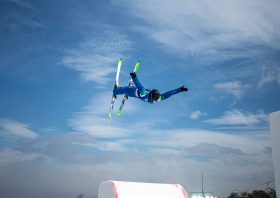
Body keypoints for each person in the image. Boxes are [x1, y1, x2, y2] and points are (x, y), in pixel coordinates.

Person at [113, 72, 188, 104]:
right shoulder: (156, 99)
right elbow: (168, 94)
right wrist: (179, 90)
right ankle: (127, 92)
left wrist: (134, 77)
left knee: (124, 89)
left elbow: (140, 86)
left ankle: (115, 91)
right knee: (130, 90)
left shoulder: (145, 95)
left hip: (133, 91)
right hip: (135, 94)